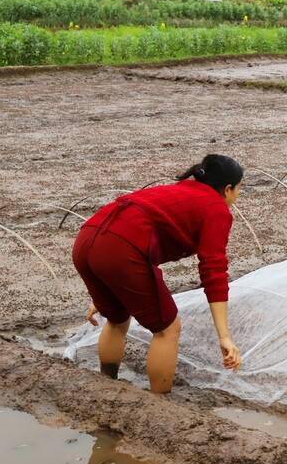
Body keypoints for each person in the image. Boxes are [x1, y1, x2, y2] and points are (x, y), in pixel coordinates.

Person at [72, 154, 244, 393]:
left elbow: (116, 233)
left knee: (117, 318)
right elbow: (213, 270)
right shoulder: (216, 208)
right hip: (119, 249)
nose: (237, 196)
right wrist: (224, 336)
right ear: (227, 189)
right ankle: (158, 404)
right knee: (167, 329)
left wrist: (107, 287)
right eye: (238, 189)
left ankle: (107, 386)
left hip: (87, 238)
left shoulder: (180, 191)